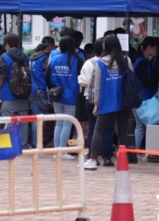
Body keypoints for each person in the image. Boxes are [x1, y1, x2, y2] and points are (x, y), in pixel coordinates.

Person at [83, 35, 133, 170]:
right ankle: (123, 160)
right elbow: (131, 81)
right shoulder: (126, 61)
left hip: (106, 101)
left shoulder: (100, 63)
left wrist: (96, 104)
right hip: (124, 101)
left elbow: (97, 86)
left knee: (98, 130)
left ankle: (92, 159)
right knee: (122, 131)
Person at [79, 38, 115, 166]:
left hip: (90, 98)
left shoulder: (89, 63)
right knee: (108, 129)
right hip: (107, 99)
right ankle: (107, 157)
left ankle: (92, 156)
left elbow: (81, 81)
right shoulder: (112, 62)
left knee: (93, 128)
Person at [46, 36, 82, 159]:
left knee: (59, 123)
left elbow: (47, 77)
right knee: (67, 123)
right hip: (71, 96)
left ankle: (57, 151)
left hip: (56, 95)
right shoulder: (77, 60)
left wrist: (51, 92)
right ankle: (63, 152)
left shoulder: (54, 59)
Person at [0, 33, 30, 146]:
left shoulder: (4, 57)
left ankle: (9, 144)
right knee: (23, 121)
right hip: (24, 93)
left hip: (8, 93)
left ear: (7, 44)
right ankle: (23, 144)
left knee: (8, 120)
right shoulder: (25, 56)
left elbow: (1, 76)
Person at [132, 37, 159, 149]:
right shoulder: (142, 63)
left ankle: (137, 150)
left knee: (140, 126)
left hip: (139, 98)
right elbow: (145, 81)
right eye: (155, 48)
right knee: (145, 125)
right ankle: (143, 150)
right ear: (150, 47)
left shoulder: (141, 61)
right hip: (142, 99)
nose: (156, 51)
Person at [30, 36, 55, 147]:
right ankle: (37, 144)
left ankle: (34, 142)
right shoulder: (45, 59)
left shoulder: (33, 58)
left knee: (36, 118)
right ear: (50, 46)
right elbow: (48, 75)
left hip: (32, 90)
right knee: (40, 119)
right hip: (41, 91)